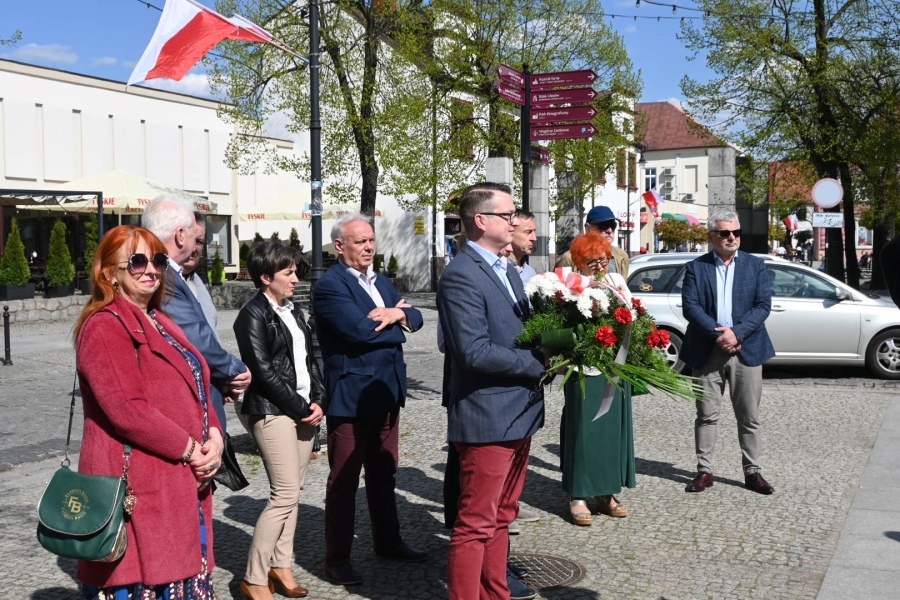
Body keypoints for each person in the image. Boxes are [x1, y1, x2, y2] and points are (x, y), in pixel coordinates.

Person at [74, 225, 223, 597]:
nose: (151, 269)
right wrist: (192, 450)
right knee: (147, 582)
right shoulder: (105, 325)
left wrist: (216, 437)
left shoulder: (162, 320)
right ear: (110, 272)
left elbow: (198, 385)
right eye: (137, 261)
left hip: (179, 484)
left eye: (157, 260)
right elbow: (126, 409)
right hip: (141, 486)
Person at [437, 182, 547, 599]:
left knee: (502, 515)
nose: (515, 221)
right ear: (481, 221)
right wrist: (537, 363)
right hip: (488, 417)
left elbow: (523, 334)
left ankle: (495, 592)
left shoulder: (506, 268)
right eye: (508, 214)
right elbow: (473, 351)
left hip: (519, 412)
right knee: (475, 524)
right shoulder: (461, 275)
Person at [312, 214, 427, 586]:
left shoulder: (381, 282)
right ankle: (337, 559)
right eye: (360, 241)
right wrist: (400, 320)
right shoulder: (330, 286)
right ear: (339, 245)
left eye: (371, 240)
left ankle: (388, 541)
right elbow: (361, 331)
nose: (368, 247)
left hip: (387, 392)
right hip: (351, 397)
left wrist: (399, 313)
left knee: (384, 473)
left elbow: (418, 317)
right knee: (344, 481)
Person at [231, 242, 326, 600]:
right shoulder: (252, 315)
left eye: (295, 271)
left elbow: (311, 361)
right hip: (272, 412)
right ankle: (254, 578)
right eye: (288, 272)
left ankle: (280, 566)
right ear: (265, 277)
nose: (296, 278)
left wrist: (319, 400)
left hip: (304, 411)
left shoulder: (294, 311)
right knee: (283, 494)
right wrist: (301, 406)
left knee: (293, 492)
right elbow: (263, 371)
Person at [680, 209, 776, 495]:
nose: (732, 237)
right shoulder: (696, 267)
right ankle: (705, 471)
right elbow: (691, 307)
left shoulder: (755, 265)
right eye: (725, 233)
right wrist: (719, 334)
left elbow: (763, 306)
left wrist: (737, 333)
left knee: (749, 416)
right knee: (706, 414)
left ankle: (752, 471)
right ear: (712, 236)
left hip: (746, 350)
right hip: (707, 350)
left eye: (736, 232)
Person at [143, 197, 251, 433]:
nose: (197, 245)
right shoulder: (162, 275)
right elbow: (194, 336)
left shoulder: (171, 273)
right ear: (180, 235)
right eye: (195, 235)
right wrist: (235, 371)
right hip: (186, 411)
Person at [560, 232, 636, 526]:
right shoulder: (572, 285)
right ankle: (578, 494)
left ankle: (606, 492)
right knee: (583, 430)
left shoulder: (616, 281)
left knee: (610, 432)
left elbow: (632, 316)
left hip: (614, 367)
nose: (599, 266)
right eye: (592, 261)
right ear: (580, 261)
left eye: (603, 259)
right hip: (584, 370)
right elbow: (564, 325)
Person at [556, 205, 629, 276]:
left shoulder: (622, 256)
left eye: (613, 225)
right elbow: (558, 283)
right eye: (603, 225)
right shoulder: (569, 259)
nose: (609, 230)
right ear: (587, 227)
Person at [182, 213, 217, 334]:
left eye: (198, 242)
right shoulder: (160, 283)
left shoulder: (196, 282)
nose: (193, 248)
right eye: (189, 240)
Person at [505, 209, 538, 287]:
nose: (534, 238)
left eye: (534, 232)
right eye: (528, 232)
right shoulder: (499, 269)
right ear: (511, 231)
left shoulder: (530, 273)